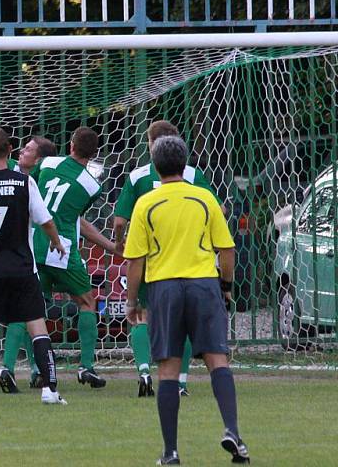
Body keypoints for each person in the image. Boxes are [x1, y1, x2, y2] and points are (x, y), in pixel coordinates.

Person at [124, 136, 249, 465]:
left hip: (164, 288)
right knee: (217, 359)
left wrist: (131, 301)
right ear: (185, 163)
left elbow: (135, 260)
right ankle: (233, 432)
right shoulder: (204, 198)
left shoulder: (146, 203)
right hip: (203, 285)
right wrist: (225, 285)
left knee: (168, 368)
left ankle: (171, 452)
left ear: (155, 165)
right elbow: (227, 249)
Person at [0, 127, 68, 407]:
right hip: (21, 268)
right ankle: (49, 390)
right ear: (9, 151)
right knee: (37, 328)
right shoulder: (24, 183)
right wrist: (55, 241)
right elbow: (45, 220)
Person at [114, 120, 222, 397]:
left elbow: (118, 220)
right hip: (186, 258)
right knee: (182, 324)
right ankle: (182, 382)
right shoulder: (193, 175)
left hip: (148, 257)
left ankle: (144, 371)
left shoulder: (137, 176)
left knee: (140, 314)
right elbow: (216, 209)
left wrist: (120, 242)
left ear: (150, 144)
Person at [25, 126, 116, 391]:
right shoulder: (92, 186)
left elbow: (39, 200)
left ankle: (36, 368)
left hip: (34, 241)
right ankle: (85, 366)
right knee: (87, 301)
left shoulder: (48, 163)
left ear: (72, 144)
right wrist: (112, 245)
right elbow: (74, 217)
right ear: (94, 153)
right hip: (61, 247)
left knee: (32, 308)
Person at [0, 135, 57, 392]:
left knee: (27, 311)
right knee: (28, 311)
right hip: (16, 253)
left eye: (30, 149)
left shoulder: (41, 182)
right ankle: (27, 369)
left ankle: (20, 368)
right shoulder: (5, 169)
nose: (23, 150)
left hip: (34, 252)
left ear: (40, 159)